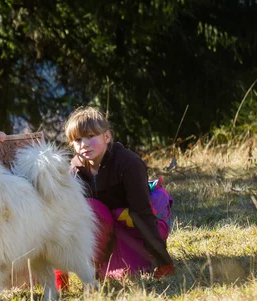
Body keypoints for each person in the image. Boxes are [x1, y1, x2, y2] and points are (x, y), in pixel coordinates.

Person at [56, 106, 174, 290]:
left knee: (133, 272)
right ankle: (95, 267)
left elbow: (142, 213)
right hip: (104, 225)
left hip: (133, 223)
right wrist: (60, 272)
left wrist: (163, 260)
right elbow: (66, 220)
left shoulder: (128, 164)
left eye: (90, 136)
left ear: (107, 137)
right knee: (89, 209)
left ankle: (145, 257)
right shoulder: (74, 171)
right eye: (78, 140)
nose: (84, 144)